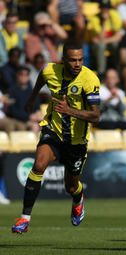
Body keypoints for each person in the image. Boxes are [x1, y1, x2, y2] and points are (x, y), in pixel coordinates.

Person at [11, 41, 100, 234]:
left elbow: (95, 116)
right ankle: (25, 218)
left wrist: (70, 110)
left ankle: (78, 200)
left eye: (80, 60)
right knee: (39, 165)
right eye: (73, 60)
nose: (77, 64)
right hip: (53, 131)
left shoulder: (89, 79)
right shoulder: (51, 70)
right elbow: (43, 75)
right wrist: (33, 97)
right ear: (63, 60)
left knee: (70, 186)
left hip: (76, 142)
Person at [90, 0, 123, 76]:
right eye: (103, 8)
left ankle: (116, 68)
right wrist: (104, 21)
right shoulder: (95, 18)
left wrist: (104, 40)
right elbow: (101, 37)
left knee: (116, 44)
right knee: (101, 46)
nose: (105, 10)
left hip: (108, 42)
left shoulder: (115, 15)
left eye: (107, 8)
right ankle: (101, 73)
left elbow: (119, 36)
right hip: (97, 45)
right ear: (100, 8)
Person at [6, 66, 42, 135]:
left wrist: (37, 116)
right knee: (35, 126)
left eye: (27, 75)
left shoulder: (32, 92)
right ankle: (33, 145)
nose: (24, 77)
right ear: (17, 75)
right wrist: (29, 116)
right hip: (19, 120)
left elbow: (37, 107)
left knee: (46, 125)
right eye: (22, 74)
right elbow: (12, 112)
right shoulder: (11, 91)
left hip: (33, 119)